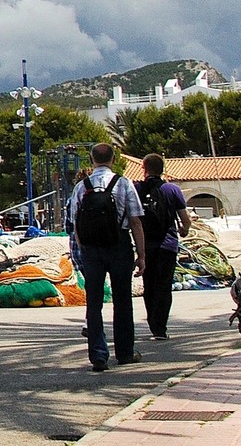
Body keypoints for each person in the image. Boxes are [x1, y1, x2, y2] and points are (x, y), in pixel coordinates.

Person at [65, 142, 148, 372]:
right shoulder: (123, 184)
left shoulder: (81, 187)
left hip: (92, 250)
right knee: (122, 300)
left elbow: (75, 224)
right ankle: (125, 352)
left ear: (92, 160)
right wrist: (141, 256)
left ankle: (98, 356)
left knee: (94, 302)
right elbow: (135, 220)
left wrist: (84, 250)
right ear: (113, 159)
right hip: (119, 244)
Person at [137, 152, 194, 340]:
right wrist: (183, 231)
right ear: (163, 170)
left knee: (149, 285)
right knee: (163, 285)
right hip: (168, 245)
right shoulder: (172, 190)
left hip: (145, 246)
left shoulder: (136, 189)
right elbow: (185, 220)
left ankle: (153, 323)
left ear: (144, 169)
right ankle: (160, 328)